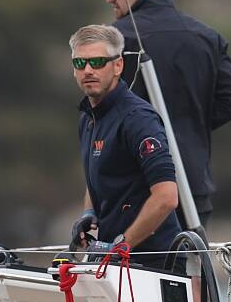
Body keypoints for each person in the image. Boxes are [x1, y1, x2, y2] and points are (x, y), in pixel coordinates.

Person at [90, 0, 231, 231]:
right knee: (191, 269)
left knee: (132, 271)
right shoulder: (207, 36)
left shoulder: (117, 39)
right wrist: (187, 125)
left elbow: (99, 111)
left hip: (133, 185)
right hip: (192, 183)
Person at [68, 24, 180, 263]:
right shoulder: (87, 118)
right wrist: (89, 213)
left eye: (97, 62)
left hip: (153, 263)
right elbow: (97, 176)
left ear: (118, 65)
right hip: (112, 262)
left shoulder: (138, 118)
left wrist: (120, 246)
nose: (88, 70)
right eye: (80, 63)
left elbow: (167, 197)